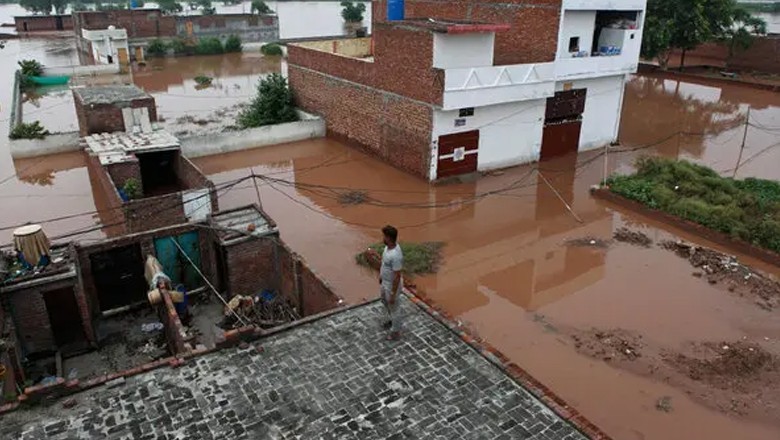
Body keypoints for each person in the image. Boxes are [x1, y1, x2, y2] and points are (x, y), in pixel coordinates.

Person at [378, 225, 403, 341]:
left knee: (394, 308)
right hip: (385, 282)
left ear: (388, 237)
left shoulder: (396, 255)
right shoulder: (387, 248)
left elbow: (397, 276)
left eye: (384, 236)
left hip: (392, 285)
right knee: (384, 301)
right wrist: (381, 276)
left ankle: (395, 332)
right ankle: (390, 320)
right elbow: (384, 264)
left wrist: (393, 293)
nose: (382, 238)